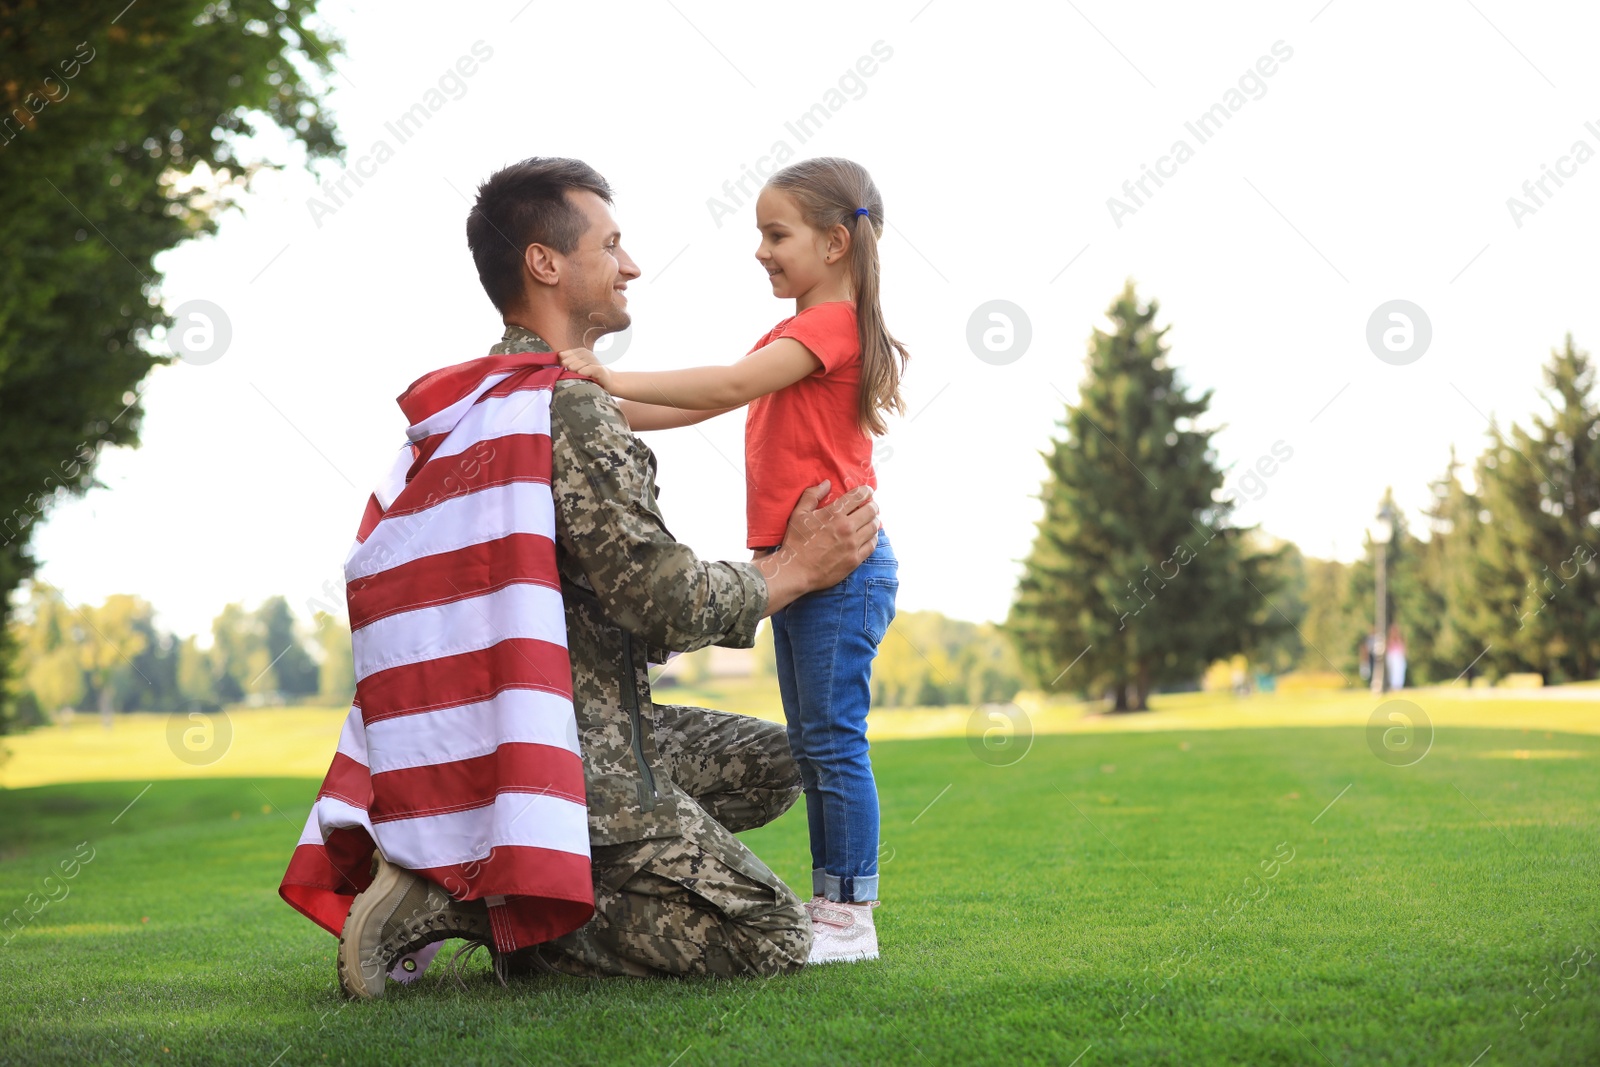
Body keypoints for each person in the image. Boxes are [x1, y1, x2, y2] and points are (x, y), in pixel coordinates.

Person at [324, 157, 882, 991]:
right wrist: (793, 570)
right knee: (769, 931)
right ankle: (498, 901)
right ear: (545, 264)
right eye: (612, 244)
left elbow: (710, 397)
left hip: (522, 727)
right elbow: (662, 600)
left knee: (779, 761)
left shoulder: (490, 399)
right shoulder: (568, 404)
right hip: (566, 749)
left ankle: (535, 861)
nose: (631, 264)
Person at [557, 157, 908, 963]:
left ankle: (849, 913)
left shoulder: (828, 325)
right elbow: (706, 399)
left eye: (775, 234)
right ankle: (837, 903)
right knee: (818, 738)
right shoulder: (804, 330)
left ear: (833, 242)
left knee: (832, 741)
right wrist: (592, 403)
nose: (761, 250)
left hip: (840, 572)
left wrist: (609, 374)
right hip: (808, 570)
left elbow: (727, 384)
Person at [1386, 622, 1407, 690]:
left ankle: (1398, 685)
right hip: (1392, 656)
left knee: (1399, 671)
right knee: (1392, 671)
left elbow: (1404, 648)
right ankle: (1393, 685)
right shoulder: (1389, 639)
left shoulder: (1401, 638)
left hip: (1399, 656)